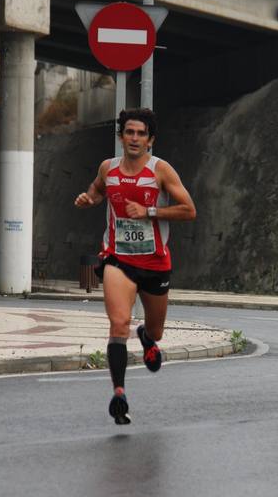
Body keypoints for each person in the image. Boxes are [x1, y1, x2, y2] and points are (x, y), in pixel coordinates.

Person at [75, 108, 196, 424]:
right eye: (129, 132)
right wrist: (89, 199)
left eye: (141, 133)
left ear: (150, 140)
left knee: (155, 330)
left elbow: (188, 210)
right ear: (121, 136)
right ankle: (119, 394)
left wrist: (150, 212)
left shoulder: (160, 171)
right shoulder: (108, 169)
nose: (134, 138)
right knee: (118, 324)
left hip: (155, 263)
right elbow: (98, 189)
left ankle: (146, 338)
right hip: (118, 259)